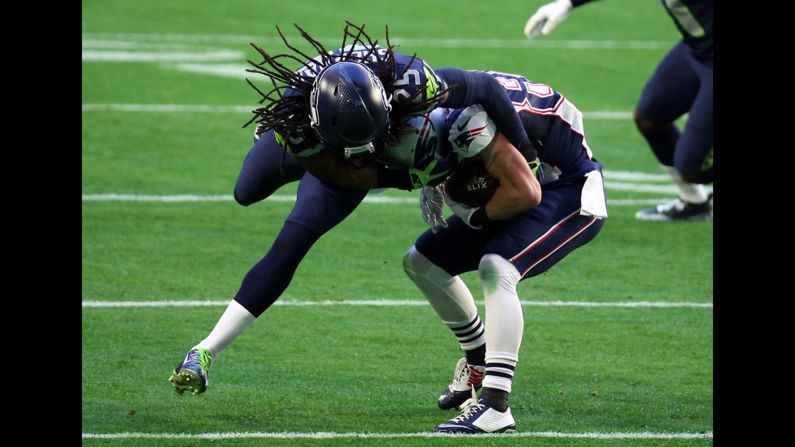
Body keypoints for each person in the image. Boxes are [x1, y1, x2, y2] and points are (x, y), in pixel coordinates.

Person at [168, 22, 538, 396]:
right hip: (318, 150)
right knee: (245, 191)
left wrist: (528, 156)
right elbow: (346, 172)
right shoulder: (295, 123)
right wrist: (411, 178)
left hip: (381, 138)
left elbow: (486, 88)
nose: (361, 156)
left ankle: (204, 350)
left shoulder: (412, 81)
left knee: (295, 237)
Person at [403, 70, 607, 433]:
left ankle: (496, 406)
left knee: (497, 267)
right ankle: (479, 360)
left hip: (571, 188)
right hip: (530, 180)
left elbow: (526, 192)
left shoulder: (471, 124)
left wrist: (477, 214)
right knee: (421, 261)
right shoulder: (444, 108)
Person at [524, 0, 713, 221]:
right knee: (650, 118)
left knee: (694, 168)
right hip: (697, 49)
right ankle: (694, 202)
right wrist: (568, 3)